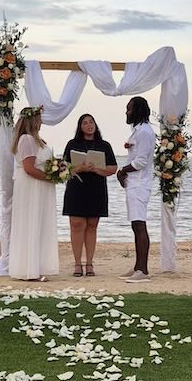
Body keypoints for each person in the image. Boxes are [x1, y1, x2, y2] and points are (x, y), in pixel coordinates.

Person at [6, 105, 60, 281]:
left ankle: (37, 265)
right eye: (39, 119)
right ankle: (29, 269)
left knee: (39, 224)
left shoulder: (35, 139)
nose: (41, 122)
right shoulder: (27, 140)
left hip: (39, 186)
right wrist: (50, 177)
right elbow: (29, 168)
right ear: (32, 120)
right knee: (31, 222)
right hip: (32, 186)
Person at [62, 112, 116, 277]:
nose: (89, 125)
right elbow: (64, 168)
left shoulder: (104, 145)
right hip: (76, 189)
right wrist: (80, 168)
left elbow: (113, 168)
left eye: (91, 122)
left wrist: (97, 170)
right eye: (85, 123)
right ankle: (78, 264)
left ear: (95, 125)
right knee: (77, 225)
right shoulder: (72, 144)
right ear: (80, 127)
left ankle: (90, 264)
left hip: (96, 189)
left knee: (92, 226)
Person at [116, 95, 156, 279]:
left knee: (140, 225)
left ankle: (143, 269)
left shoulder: (145, 132)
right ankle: (137, 266)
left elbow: (140, 161)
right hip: (134, 184)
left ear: (138, 110)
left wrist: (122, 170)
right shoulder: (137, 131)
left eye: (129, 109)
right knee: (135, 225)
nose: (126, 112)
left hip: (140, 183)